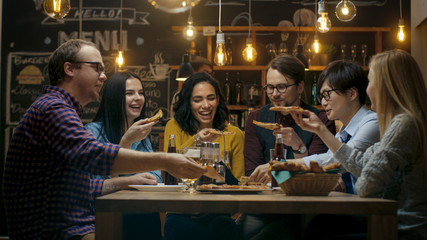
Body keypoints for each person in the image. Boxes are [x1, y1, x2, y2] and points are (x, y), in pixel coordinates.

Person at [2, 39, 205, 240]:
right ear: (69, 69)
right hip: (54, 232)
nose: (103, 76)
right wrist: (166, 160)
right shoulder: (53, 109)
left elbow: (82, 186)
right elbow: (95, 155)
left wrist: (125, 182)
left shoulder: (60, 108)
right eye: (97, 68)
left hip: (70, 227)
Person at [291, 49, 427, 239]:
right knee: (319, 225)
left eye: (371, 81)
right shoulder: (402, 122)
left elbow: (365, 185)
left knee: (318, 230)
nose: (368, 89)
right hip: (389, 222)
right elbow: (360, 163)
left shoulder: (402, 124)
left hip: (400, 229)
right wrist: (321, 131)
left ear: (388, 86)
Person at [163, 72, 243, 240]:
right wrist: (197, 140)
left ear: (218, 100)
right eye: (197, 100)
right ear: (188, 103)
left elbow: (239, 183)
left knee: (223, 226)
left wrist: (218, 172)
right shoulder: (174, 127)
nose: (205, 105)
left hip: (220, 212)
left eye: (211, 98)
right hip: (182, 210)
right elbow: (170, 166)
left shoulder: (234, 134)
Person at [85, 71, 162, 240]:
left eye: (141, 93)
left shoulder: (142, 134)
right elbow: (99, 185)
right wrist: (126, 142)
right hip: (107, 214)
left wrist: (128, 179)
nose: (138, 98)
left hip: (140, 211)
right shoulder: (92, 132)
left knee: (148, 216)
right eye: (129, 93)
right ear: (114, 98)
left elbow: (156, 178)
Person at [244, 53, 335, 184]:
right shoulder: (256, 118)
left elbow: (318, 174)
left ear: (300, 87)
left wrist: (299, 146)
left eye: (282, 87)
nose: (274, 94)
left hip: (306, 199)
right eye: (270, 87)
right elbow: (253, 173)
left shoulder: (322, 120)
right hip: (266, 200)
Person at [296, 60, 380, 193]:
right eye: (321, 96)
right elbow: (331, 168)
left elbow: (336, 161)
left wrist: (283, 165)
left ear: (352, 94)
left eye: (327, 94)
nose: (323, 102)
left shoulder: (373, 122)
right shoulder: (343, 132)